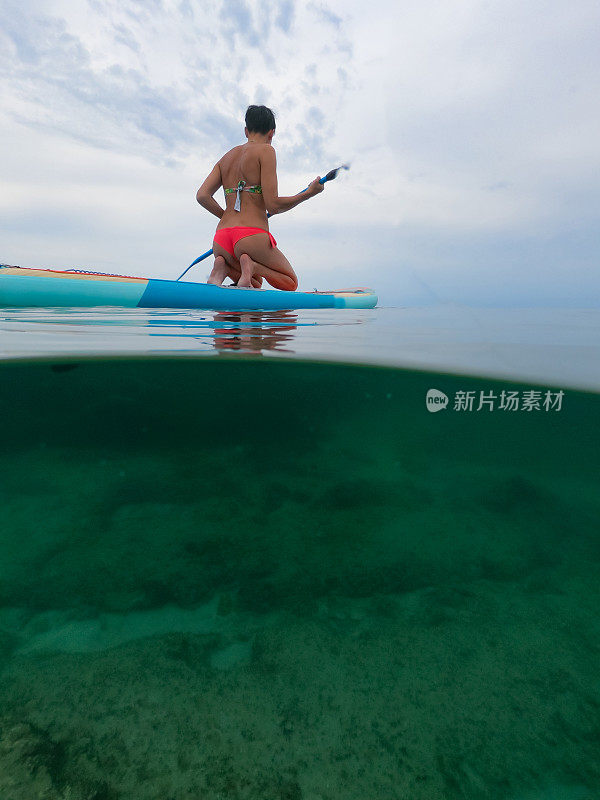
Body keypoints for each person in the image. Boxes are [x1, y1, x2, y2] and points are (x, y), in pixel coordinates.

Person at [195, 105, 324, 290]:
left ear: (246, 131)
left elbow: (202, 196)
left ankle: (221, 266)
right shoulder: (266, 151)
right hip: (251, 236)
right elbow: (273, 206)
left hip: (221, 239)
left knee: (255, 282)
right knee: (290, 281)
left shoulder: (226, 158)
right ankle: (253, 265)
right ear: (271, 133)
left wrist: (226, 216)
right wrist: (308, 194)